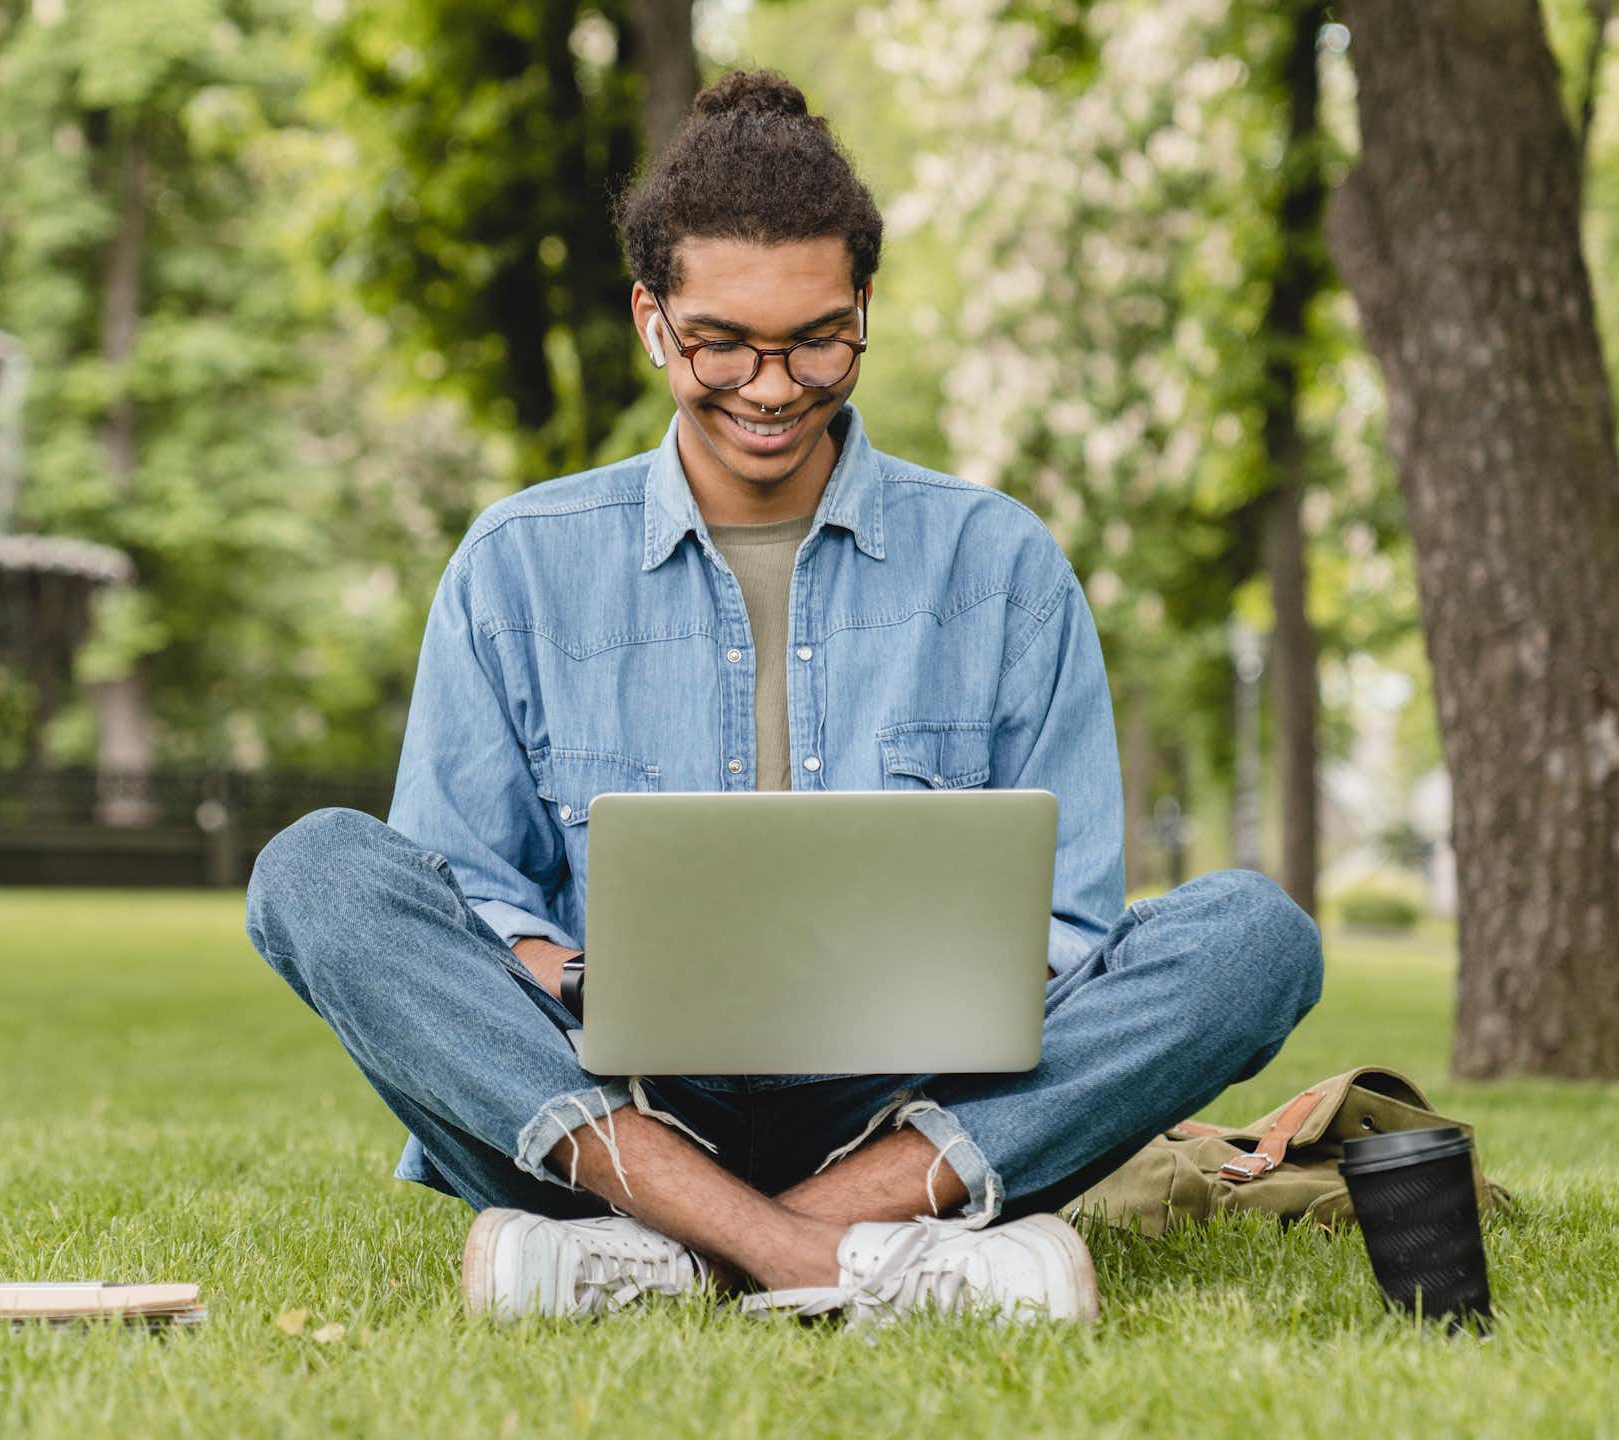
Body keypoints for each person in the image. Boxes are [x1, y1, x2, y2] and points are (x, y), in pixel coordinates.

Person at [245, 69, 1322, 1327]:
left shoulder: (1002, 566)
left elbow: (1068, 929)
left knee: (1255, 937)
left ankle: (674, 1253)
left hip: (915, 1111)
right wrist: (581, 974)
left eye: (817, 337)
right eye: (722, 343)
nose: (771, 385)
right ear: (652, 320)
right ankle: (849, 1256)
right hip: (615, 1105)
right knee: (315, 872)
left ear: (863, 305)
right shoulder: (517, 564)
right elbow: (469, 894)